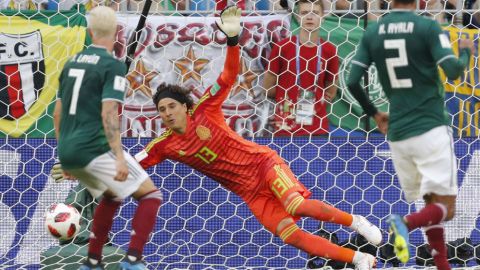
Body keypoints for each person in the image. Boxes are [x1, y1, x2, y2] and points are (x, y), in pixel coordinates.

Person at [135, 5, 381, 269]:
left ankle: (356, 222)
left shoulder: (205, 109)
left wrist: (232, 41)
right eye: (162, 110)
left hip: (263, 165)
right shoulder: (163, 145)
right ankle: (358, 258)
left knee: (297, 205)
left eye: (172, 106)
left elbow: (229, 75)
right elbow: (129, 164)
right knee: (293, 236)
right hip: (251, 194)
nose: (168, 113)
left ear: (184, 106)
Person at [346, 0, 474, 268]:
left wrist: (374, 112)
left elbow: (352, 80)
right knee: (445, 208)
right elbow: (453, 72)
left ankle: (441, 265)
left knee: (430, 206)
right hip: (430, 128)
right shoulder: (427, 27)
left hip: (398, 134)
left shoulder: (373, 31)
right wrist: (465, 53)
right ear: (419, 2)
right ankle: (403, 224)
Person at [53, 6, 162, 270]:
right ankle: (133, 261)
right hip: (95, 148)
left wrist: (65, 156)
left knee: (112, 195)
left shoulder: (71, 63)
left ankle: (92, 261)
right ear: (116, 32)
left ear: (89, 31)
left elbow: (58, 114)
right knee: (150, 196)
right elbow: (109, 114)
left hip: (70, 150)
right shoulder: (111, 65)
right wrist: (119, 157)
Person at [263, 0, 338, 137]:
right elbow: (268, 88)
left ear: (322, 17)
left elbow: (331, 90)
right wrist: (287, 97)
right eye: (304, 13)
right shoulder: (282, 48)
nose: (310, 17)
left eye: (315, 13)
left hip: (317, 129)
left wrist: (315, 101)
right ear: (297, 17)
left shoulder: (329, 50)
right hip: (285, 128)